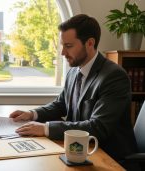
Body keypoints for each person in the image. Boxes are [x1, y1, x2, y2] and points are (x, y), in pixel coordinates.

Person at [9, 14, 138, 170]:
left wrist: (45, 128)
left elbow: (97, 127)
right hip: (78, 152)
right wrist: (32, 114)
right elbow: (61, 104)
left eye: (68, 46)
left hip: (109, 159)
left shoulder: (114, 77)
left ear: (90, 43)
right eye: (63, 45)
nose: (63, 53)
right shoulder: (73, 72)